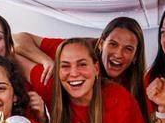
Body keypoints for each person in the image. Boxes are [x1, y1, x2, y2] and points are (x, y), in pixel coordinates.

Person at [14, 16, 148, 116]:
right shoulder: (80, 50)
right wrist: (46, 61)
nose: (118, 54)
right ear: (101, 44)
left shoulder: (136, 88)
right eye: (113, 44)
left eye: (128, 49)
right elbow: (17, 40)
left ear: (136, 55)